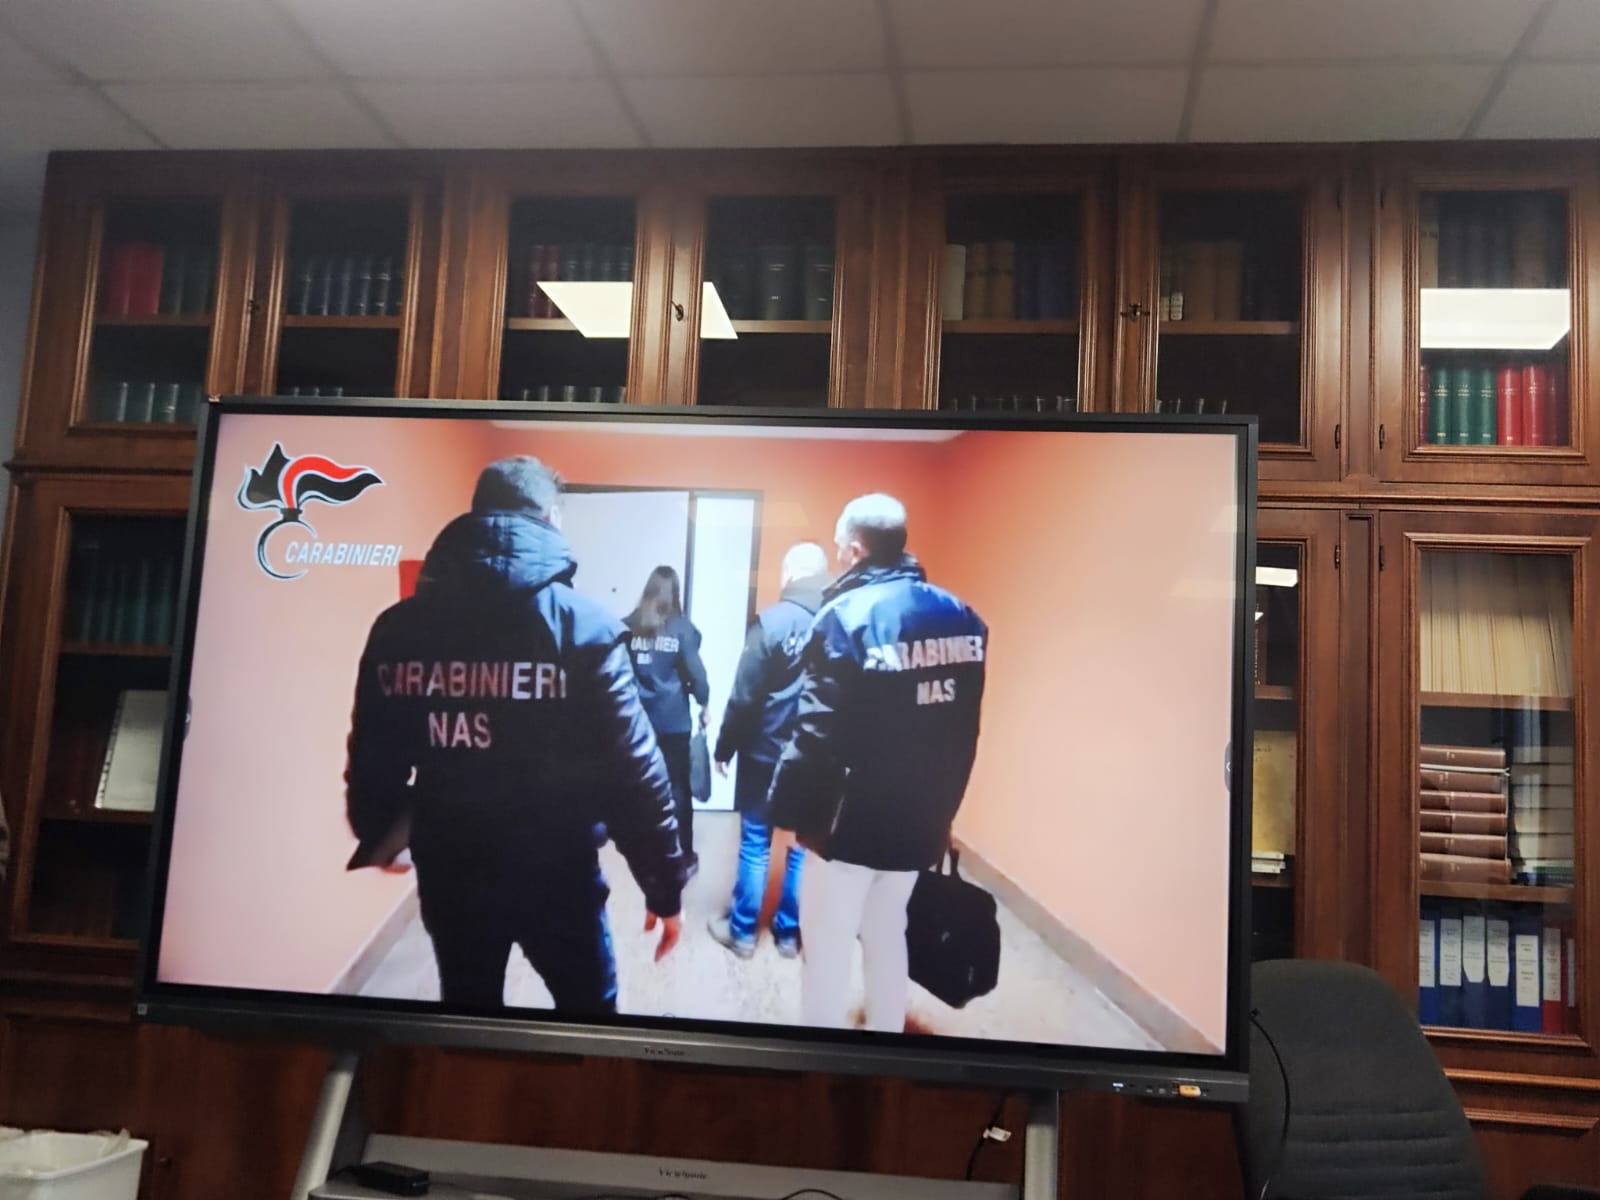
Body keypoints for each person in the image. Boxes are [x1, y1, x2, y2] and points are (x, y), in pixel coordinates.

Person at [344, 455, 686, 1015]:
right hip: (558, 873)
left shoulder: (397, 629)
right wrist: (663, 886)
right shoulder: (587, 629)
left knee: (470, 1011)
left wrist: (378, 828)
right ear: (551, 518)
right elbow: (633, 773)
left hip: (452, 869)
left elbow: (373, 754)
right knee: (588, 1012)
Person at [767, 494, 987, 1032]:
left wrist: (787, 811)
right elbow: (964, 727)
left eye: (840, 547)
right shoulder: (964, 618)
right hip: (924, 817)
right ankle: (886, 1034)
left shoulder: (843, 618)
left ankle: (819, 1051)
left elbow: (815, 731)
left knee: (827, 945)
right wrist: (944, 813)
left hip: (849, 825)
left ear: (855, 549)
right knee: (888, 929)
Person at [707, 541, 831, 960]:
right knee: (800, 847)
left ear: (790, 573)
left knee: (756, 841)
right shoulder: (839, 624)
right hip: (816, 758)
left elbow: (745, 696)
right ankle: (788, 935)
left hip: (764, 754)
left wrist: (724, 748)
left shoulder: (772, 623)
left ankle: (743, 933)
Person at [625, 566, 709, 876]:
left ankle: (643, 853)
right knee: (678, 789)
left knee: (639, 786)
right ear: (675, 592)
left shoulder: (629, 626)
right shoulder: (682, 628)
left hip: (637, 721)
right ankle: (683, 855)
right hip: (674, 723)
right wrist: (704, 702)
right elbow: (697, 676)